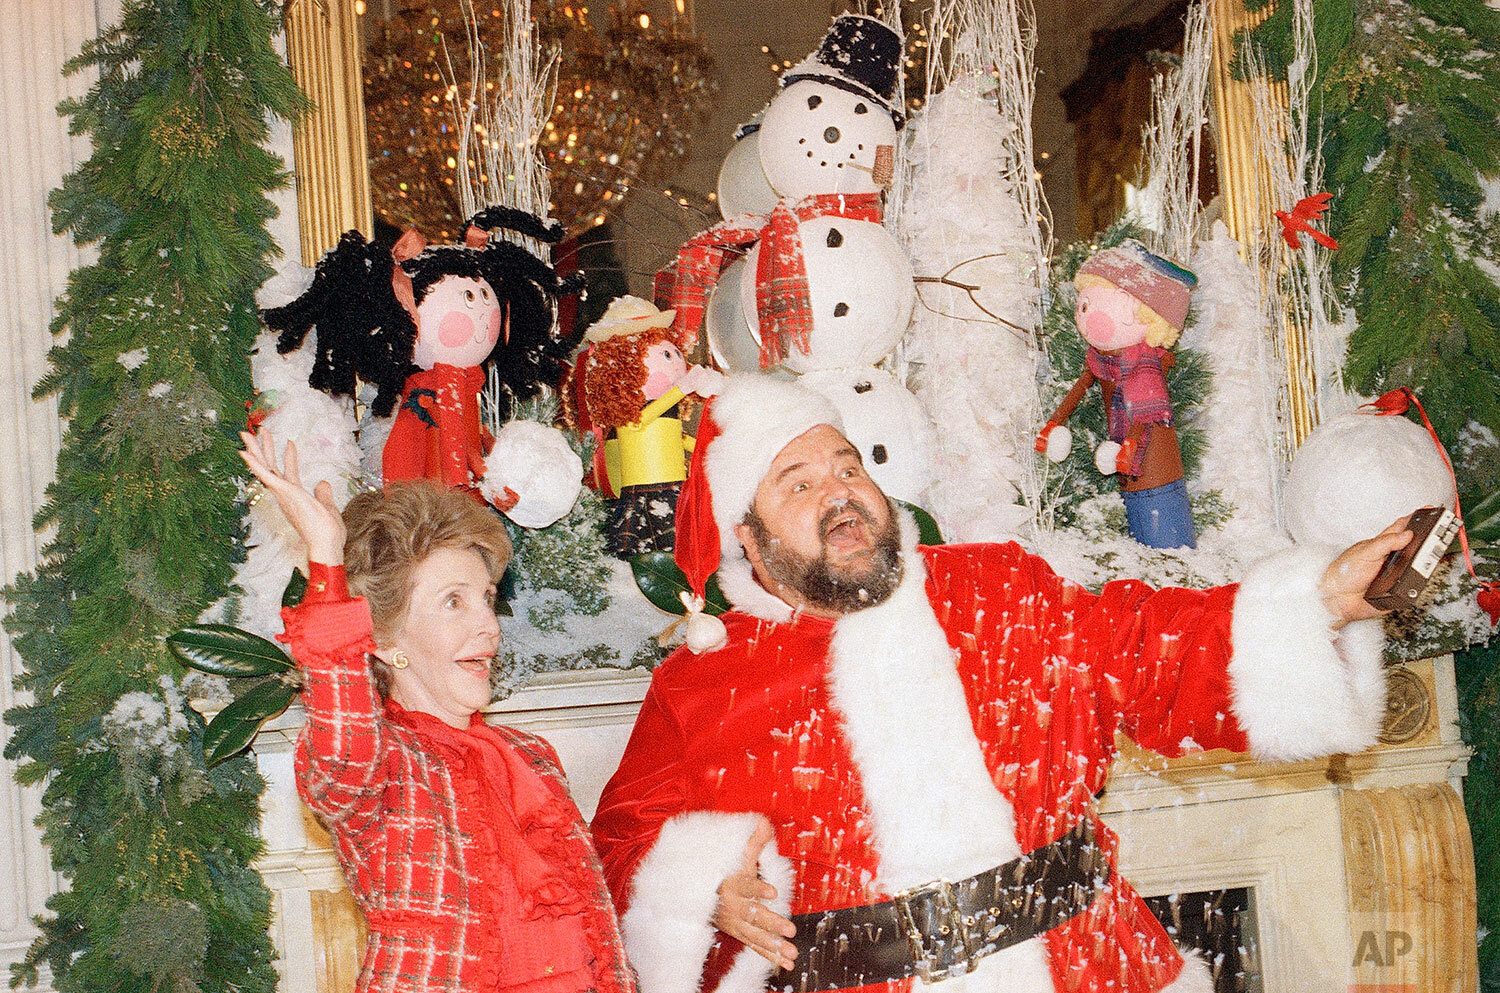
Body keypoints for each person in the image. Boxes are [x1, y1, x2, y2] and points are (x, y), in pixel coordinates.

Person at [590, 375, 1409, 993]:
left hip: (1083, 964)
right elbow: (618, 848)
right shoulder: (702, 684)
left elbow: (1145, 645)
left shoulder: (996, 589)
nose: (838, 492)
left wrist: (1324, 599)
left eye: (847, 466)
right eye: (797, 482)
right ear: (749, 535)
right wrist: (708, 889)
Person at [239, 428, 636, 993]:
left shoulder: (532, 758)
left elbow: (598, 935)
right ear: (384, 637)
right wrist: (326, 555)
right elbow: (343, 738)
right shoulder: (380, 765)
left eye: (486, 599)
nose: (488, 626)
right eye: (453, 600)